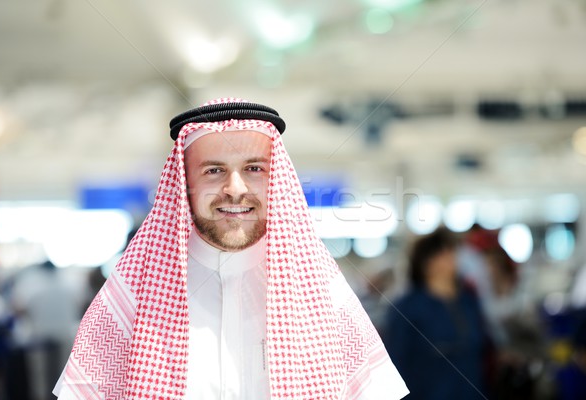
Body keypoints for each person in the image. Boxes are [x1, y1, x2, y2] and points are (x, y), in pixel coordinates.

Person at [53, 98, 409, 399]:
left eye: (254, 168)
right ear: (184, 183)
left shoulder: (323, 294)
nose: (235, 188)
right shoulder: (132, 297)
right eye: (213, 171)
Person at [381, 227, 490, 400]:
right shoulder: (407, 308)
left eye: (451, 251)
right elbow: (397, 363)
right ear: (425, 262)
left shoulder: (469, 302)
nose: (450, 259)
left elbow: (481, 353)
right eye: (441, 253)